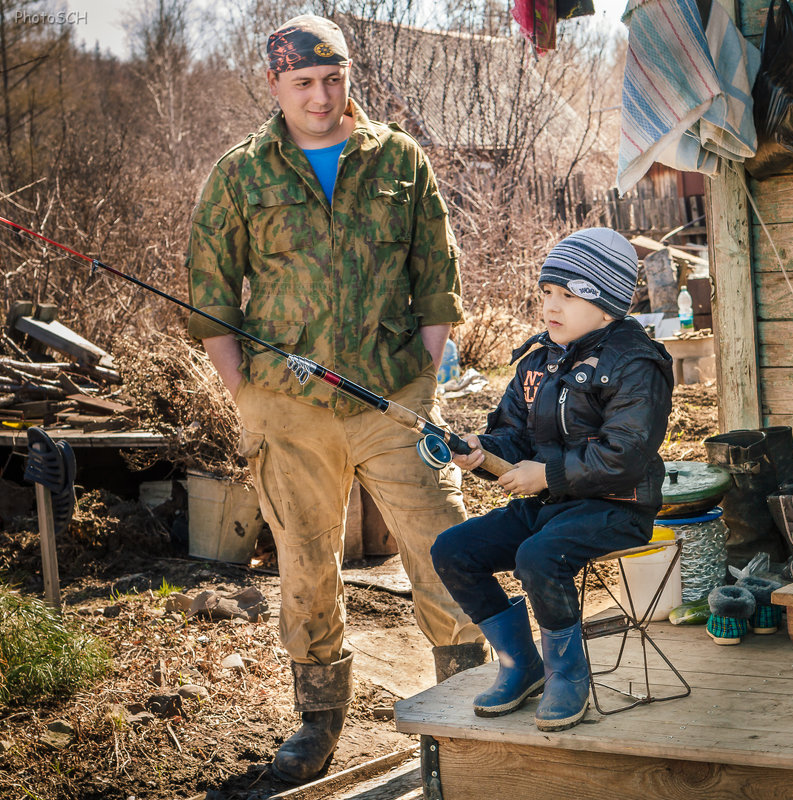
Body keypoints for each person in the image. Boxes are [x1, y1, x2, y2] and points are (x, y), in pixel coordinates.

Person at [185, 13, 487, 785]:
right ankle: (317, 721)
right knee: (305, 561)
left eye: (333, 79)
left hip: (393, 399)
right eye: (303, 83)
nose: (321, 97)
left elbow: (437, 280)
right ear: (274, 84)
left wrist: (423, 377)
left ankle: (470, 698)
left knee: (444, 543)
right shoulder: (240, 175)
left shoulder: (400, 160)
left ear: (348, 75)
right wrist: (244, 394)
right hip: (286, 409)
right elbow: (211, 297)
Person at [431, 227, 674, 732]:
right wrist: (484, 450)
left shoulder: (635, 363)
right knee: (453, 550)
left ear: (607, 305)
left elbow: (625, 455)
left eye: (568, 295)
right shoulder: (539, 360)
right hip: (550, 504)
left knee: (538, 557)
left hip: (617, 505)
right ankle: (522, 666)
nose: (551, 306)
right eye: (546, 292)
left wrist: (547, 475)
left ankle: (568, 673)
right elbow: (512, 433)